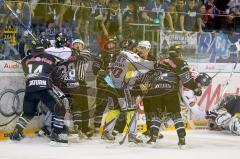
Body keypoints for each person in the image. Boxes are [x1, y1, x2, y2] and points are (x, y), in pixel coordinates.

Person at [10, 39, 69, 145]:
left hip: (30, 88)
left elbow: (26, 72)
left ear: (31, 48)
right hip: (44, 87)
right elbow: (62, 64)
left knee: (28, 113)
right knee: (59, 109)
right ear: (43, 47)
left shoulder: (25, 59)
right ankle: (57, 134)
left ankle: (16, 133)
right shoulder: (51, 57)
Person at [144, 44, 202, 148]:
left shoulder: (160, 61)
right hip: (169, 90)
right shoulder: (181, 62)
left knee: (157, 114)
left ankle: (152, 138)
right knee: (176, 115)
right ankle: (182, 140)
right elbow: (187, 82)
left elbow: (149, 75)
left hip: (155, 90)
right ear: (179, 53)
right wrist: (196, 89)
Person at [101, 39, 154, 143]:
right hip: (122, 88)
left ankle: (106, 132)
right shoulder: (132, 56)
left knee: (115, 110)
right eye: (136, 47)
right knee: (131, 110)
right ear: (132, 48)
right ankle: (132, 135)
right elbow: (146, 67)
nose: (137, 49)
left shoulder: (116, 55)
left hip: (111, 86)